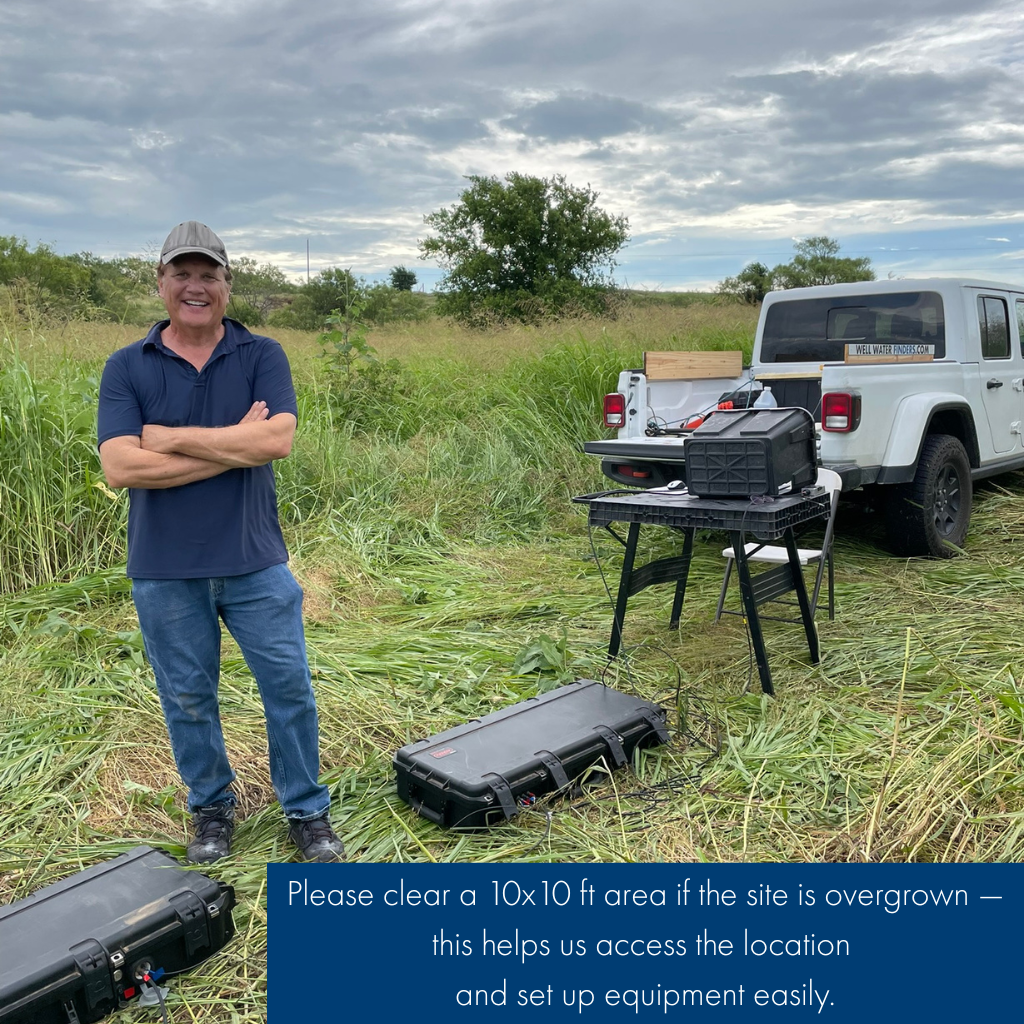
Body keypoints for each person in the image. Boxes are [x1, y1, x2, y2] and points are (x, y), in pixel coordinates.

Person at [97, 221, 344, 864]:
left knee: (288, 687)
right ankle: (211, 810)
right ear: (161, 283)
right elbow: (121, 467)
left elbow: (275, 442)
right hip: (165, 568)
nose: (195, 287)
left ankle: (307, 813)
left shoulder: (262, 355)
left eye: (209, 274)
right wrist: (231, 446)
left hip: (254, 560)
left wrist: (169, 436)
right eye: (182, 273)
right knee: (187, 697)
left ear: (228, 285)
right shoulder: (127, 365)